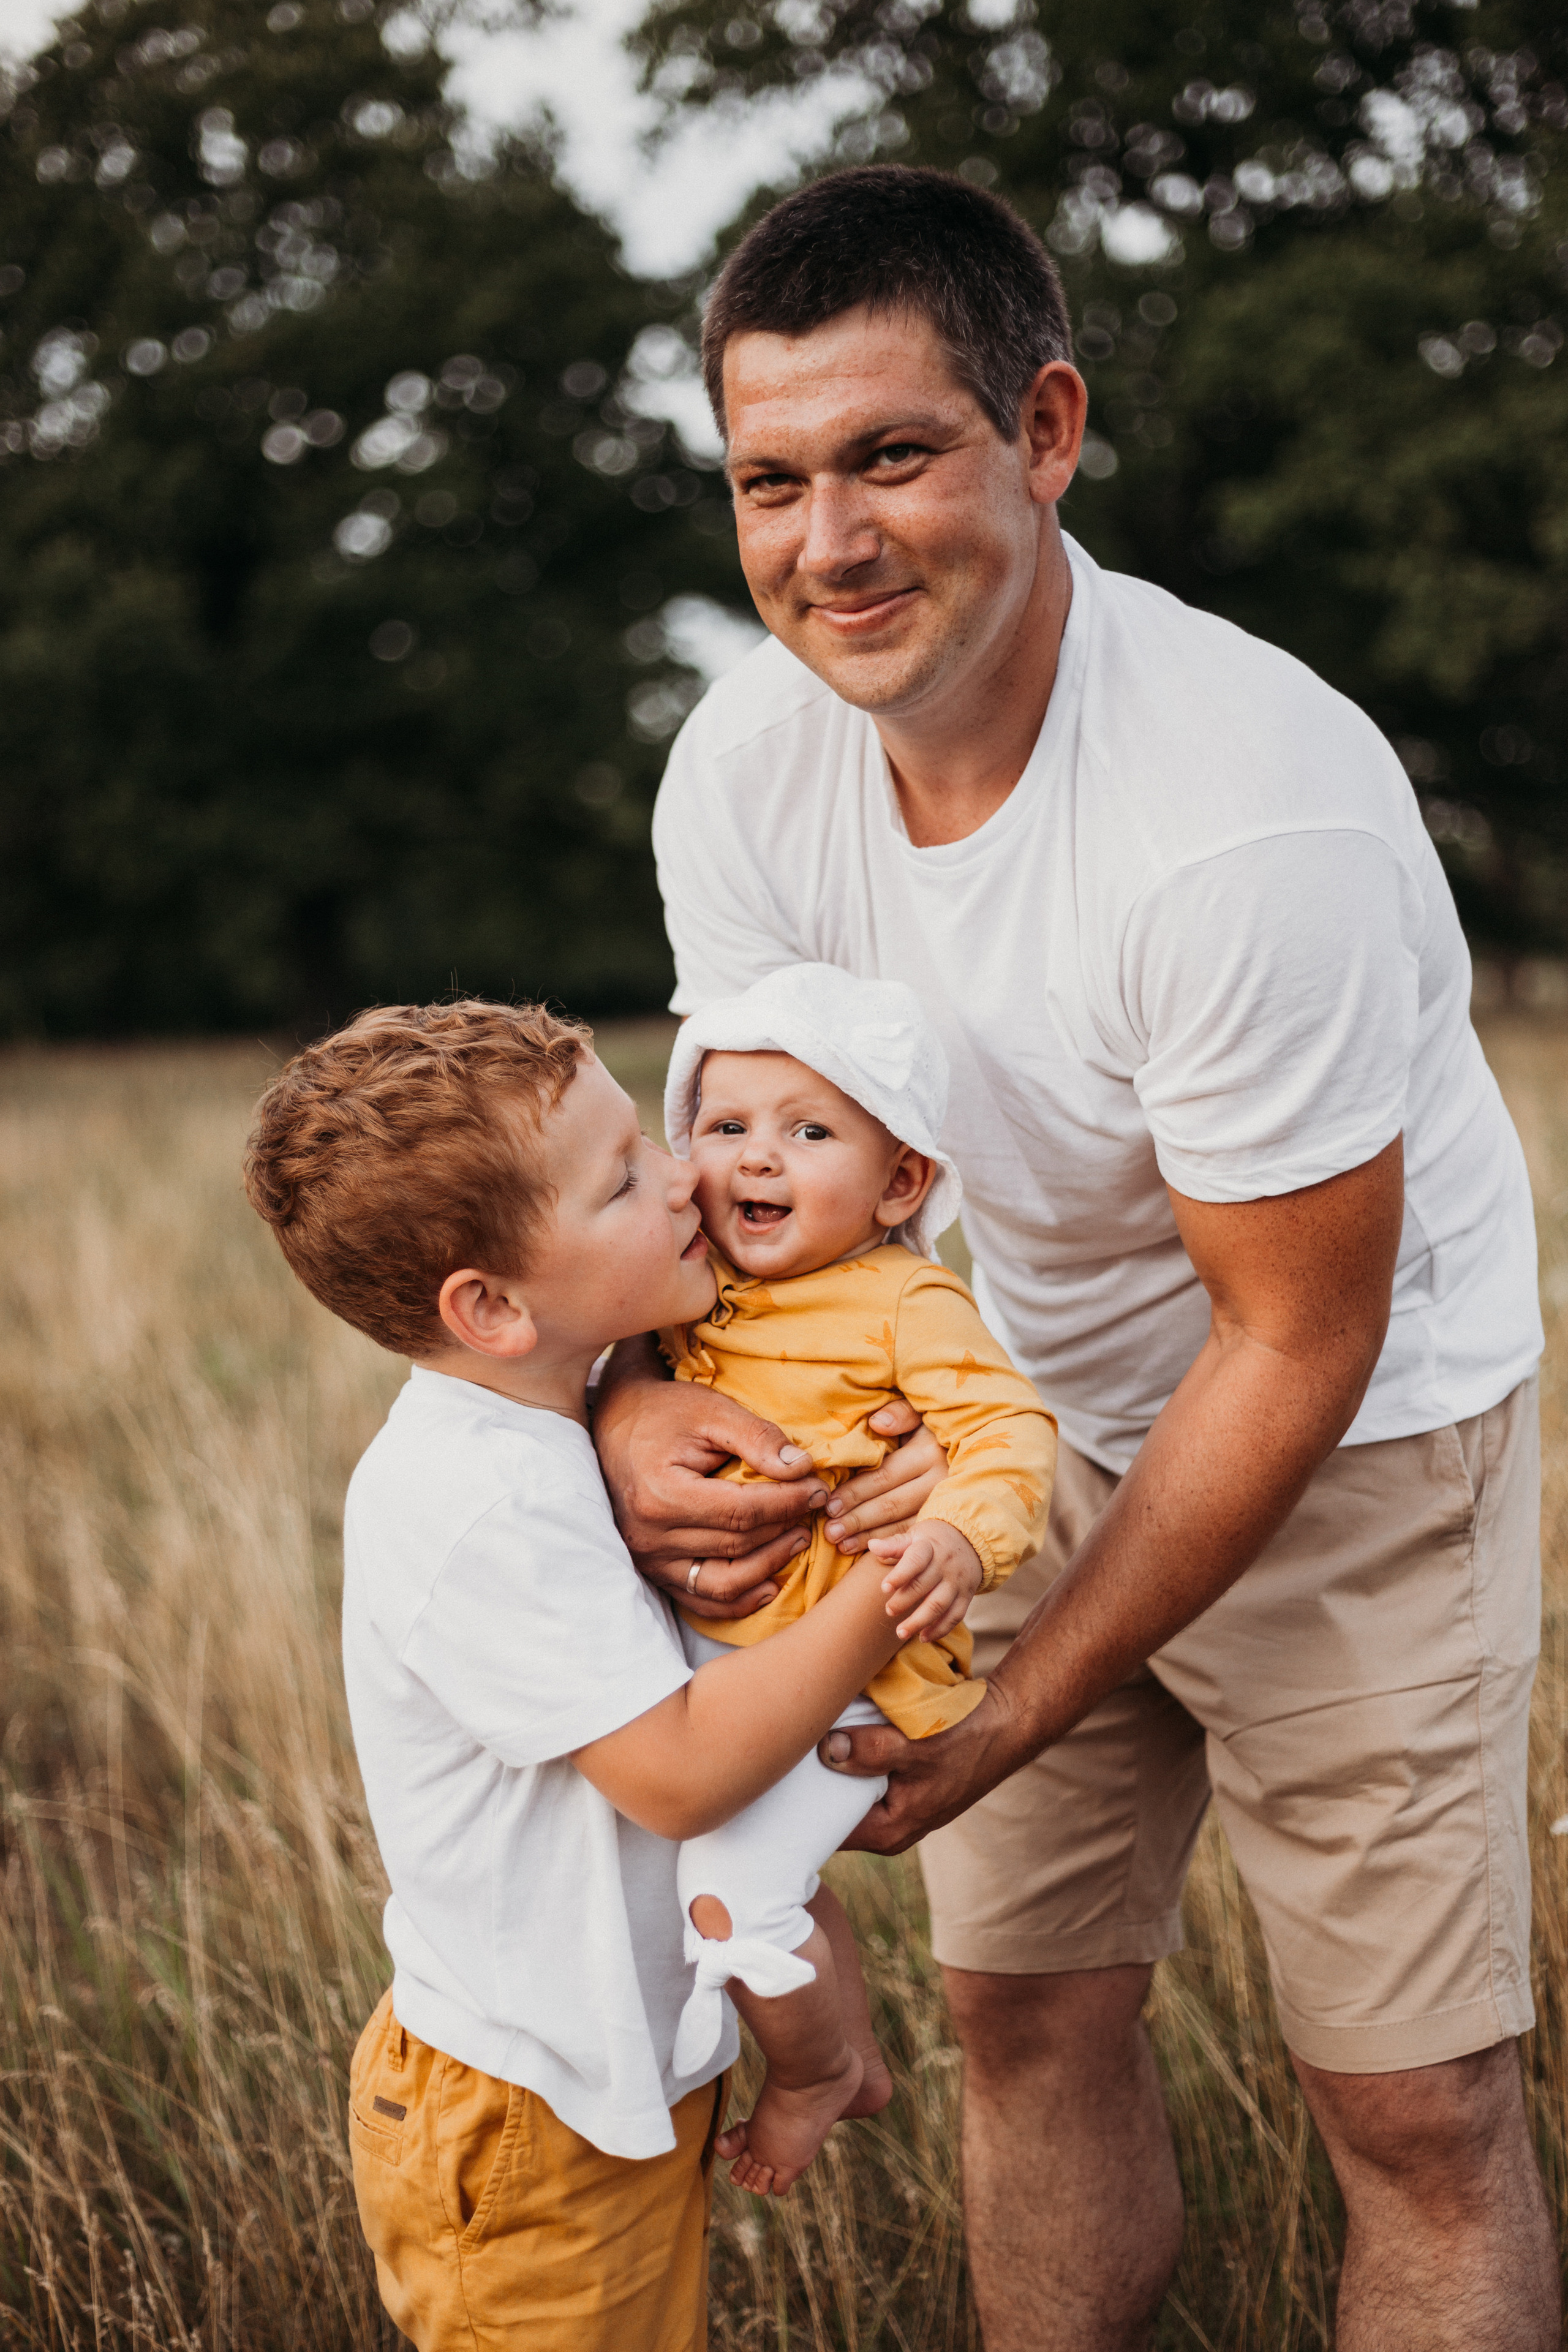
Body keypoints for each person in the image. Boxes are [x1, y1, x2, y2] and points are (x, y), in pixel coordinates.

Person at [590, 165, 1558, 2351]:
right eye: (770, 481)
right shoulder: (741, 768)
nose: (827, 542)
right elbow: (730, 1196)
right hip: (983, 1412)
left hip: (1350, 1440)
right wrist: (639, 1412)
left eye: (891, 456)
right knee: (1023, 2018)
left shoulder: (1243, 820)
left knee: (1411, 2109)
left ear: (1045, 432)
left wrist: (1023, 1704)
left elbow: (1291, 1339)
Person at [241, 998, 918, 2352]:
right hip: (524, 2122)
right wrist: (893, 1581)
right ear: (493, 1308)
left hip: (602, 2079)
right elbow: (678, 1774)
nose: (684, 1177)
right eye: (622, 1180)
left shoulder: (558, 1415)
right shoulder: (479, 1499)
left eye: (652, 1140)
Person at [658, 962, 1057, 2196]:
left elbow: (1006, 1431)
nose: (756, 1158)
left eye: (808, 1132)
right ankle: (847, 2045)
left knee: (726, 1898)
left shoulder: (904, 1300)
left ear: (899, 1184)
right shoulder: (690, 1286)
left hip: (854, 1678)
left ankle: (816, 2075)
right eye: (725, 1126)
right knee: (731, 1870)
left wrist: (961, 1538)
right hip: (721, 1659)